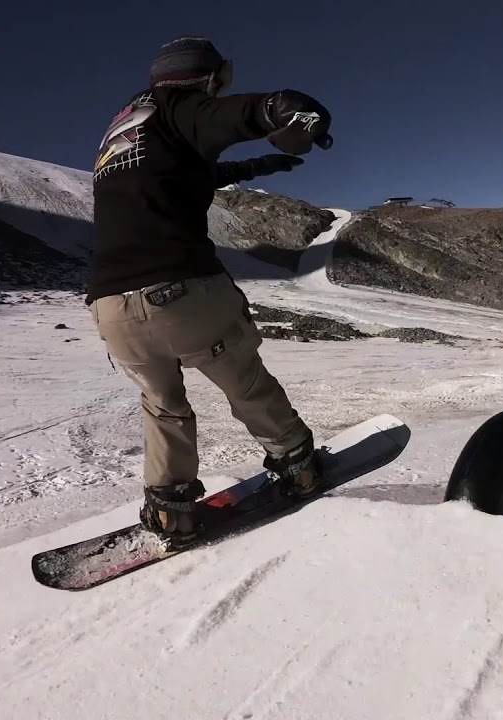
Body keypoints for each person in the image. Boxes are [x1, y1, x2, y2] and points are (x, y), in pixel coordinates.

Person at [84, 36, 335, 549]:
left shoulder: (125, 128)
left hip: (110, 307)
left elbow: (189, 168)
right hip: (182, 291)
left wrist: (259, 167)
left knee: (162, 405)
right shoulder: (183, 106)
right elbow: (232, 117)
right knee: (242, 377)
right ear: (210, 76)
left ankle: (170, 511)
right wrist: (286, 111)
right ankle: (298, 465)